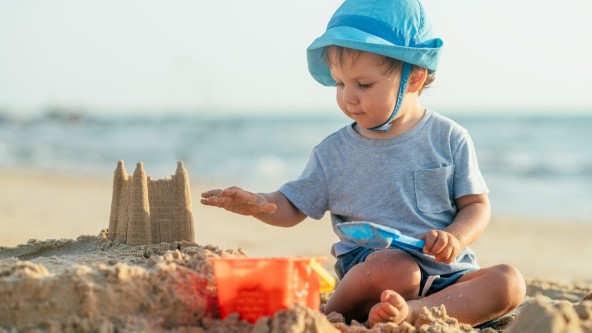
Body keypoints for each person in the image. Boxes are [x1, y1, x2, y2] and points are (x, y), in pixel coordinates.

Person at [201, 0, 526, 327]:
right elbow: (292, 206)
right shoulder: (334, 152)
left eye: (364, 84)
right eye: (340, 83)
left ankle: (411, 314)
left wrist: (456, 236)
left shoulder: (449, 138)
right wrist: (260, 204)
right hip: (373, 271)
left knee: (509, 281)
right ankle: (327, 317)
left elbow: (476, 205)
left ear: (414, 77)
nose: (348, 97)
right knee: (396, 267)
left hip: (446, 276)